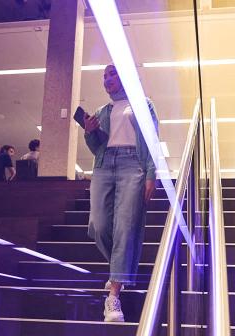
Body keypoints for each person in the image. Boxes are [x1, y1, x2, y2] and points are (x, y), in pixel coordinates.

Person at [83, 64, 157, 323]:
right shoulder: (103, 111)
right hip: (104, 166)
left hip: (132, 164)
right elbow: (96, 148)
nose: (107, 79)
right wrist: (90, 132)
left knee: (126, 226)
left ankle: (113, 297)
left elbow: (150, 139)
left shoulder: (142, 104)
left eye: (112, 74)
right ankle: (121, 269)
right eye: (104, 76)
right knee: (98, 225)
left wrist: (151, 173)